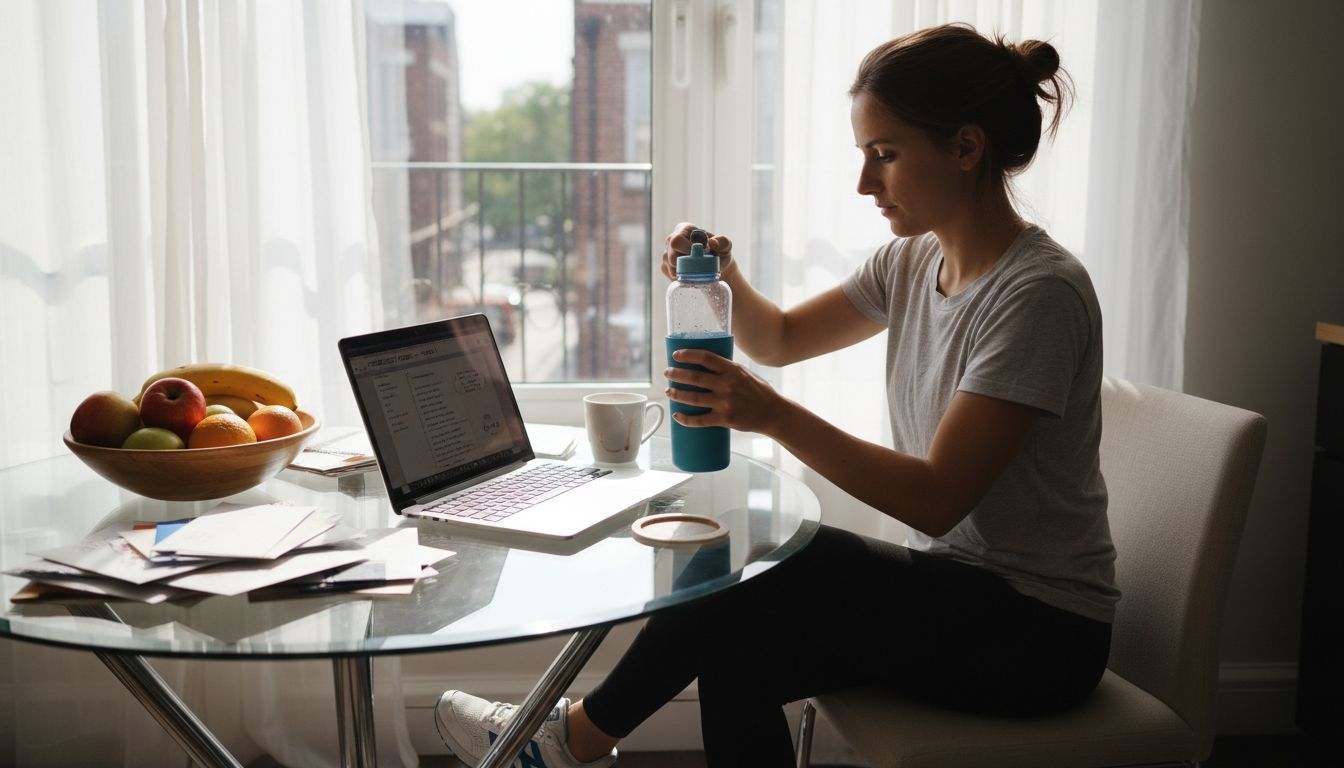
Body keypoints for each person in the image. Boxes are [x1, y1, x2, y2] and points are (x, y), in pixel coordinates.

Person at [434, 22, 1119, 767]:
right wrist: (725, 279)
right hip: (956, 596)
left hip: (1039, 633)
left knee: (760, 554)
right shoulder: (912, 262)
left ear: (964, 147)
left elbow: (936, 499)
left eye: (884, 156)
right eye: (865, 156)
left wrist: (769, 413)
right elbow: (781, 339)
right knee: (739, 640)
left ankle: (569, 738)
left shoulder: (1037, 294)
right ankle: (566, 739)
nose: (865, 183)